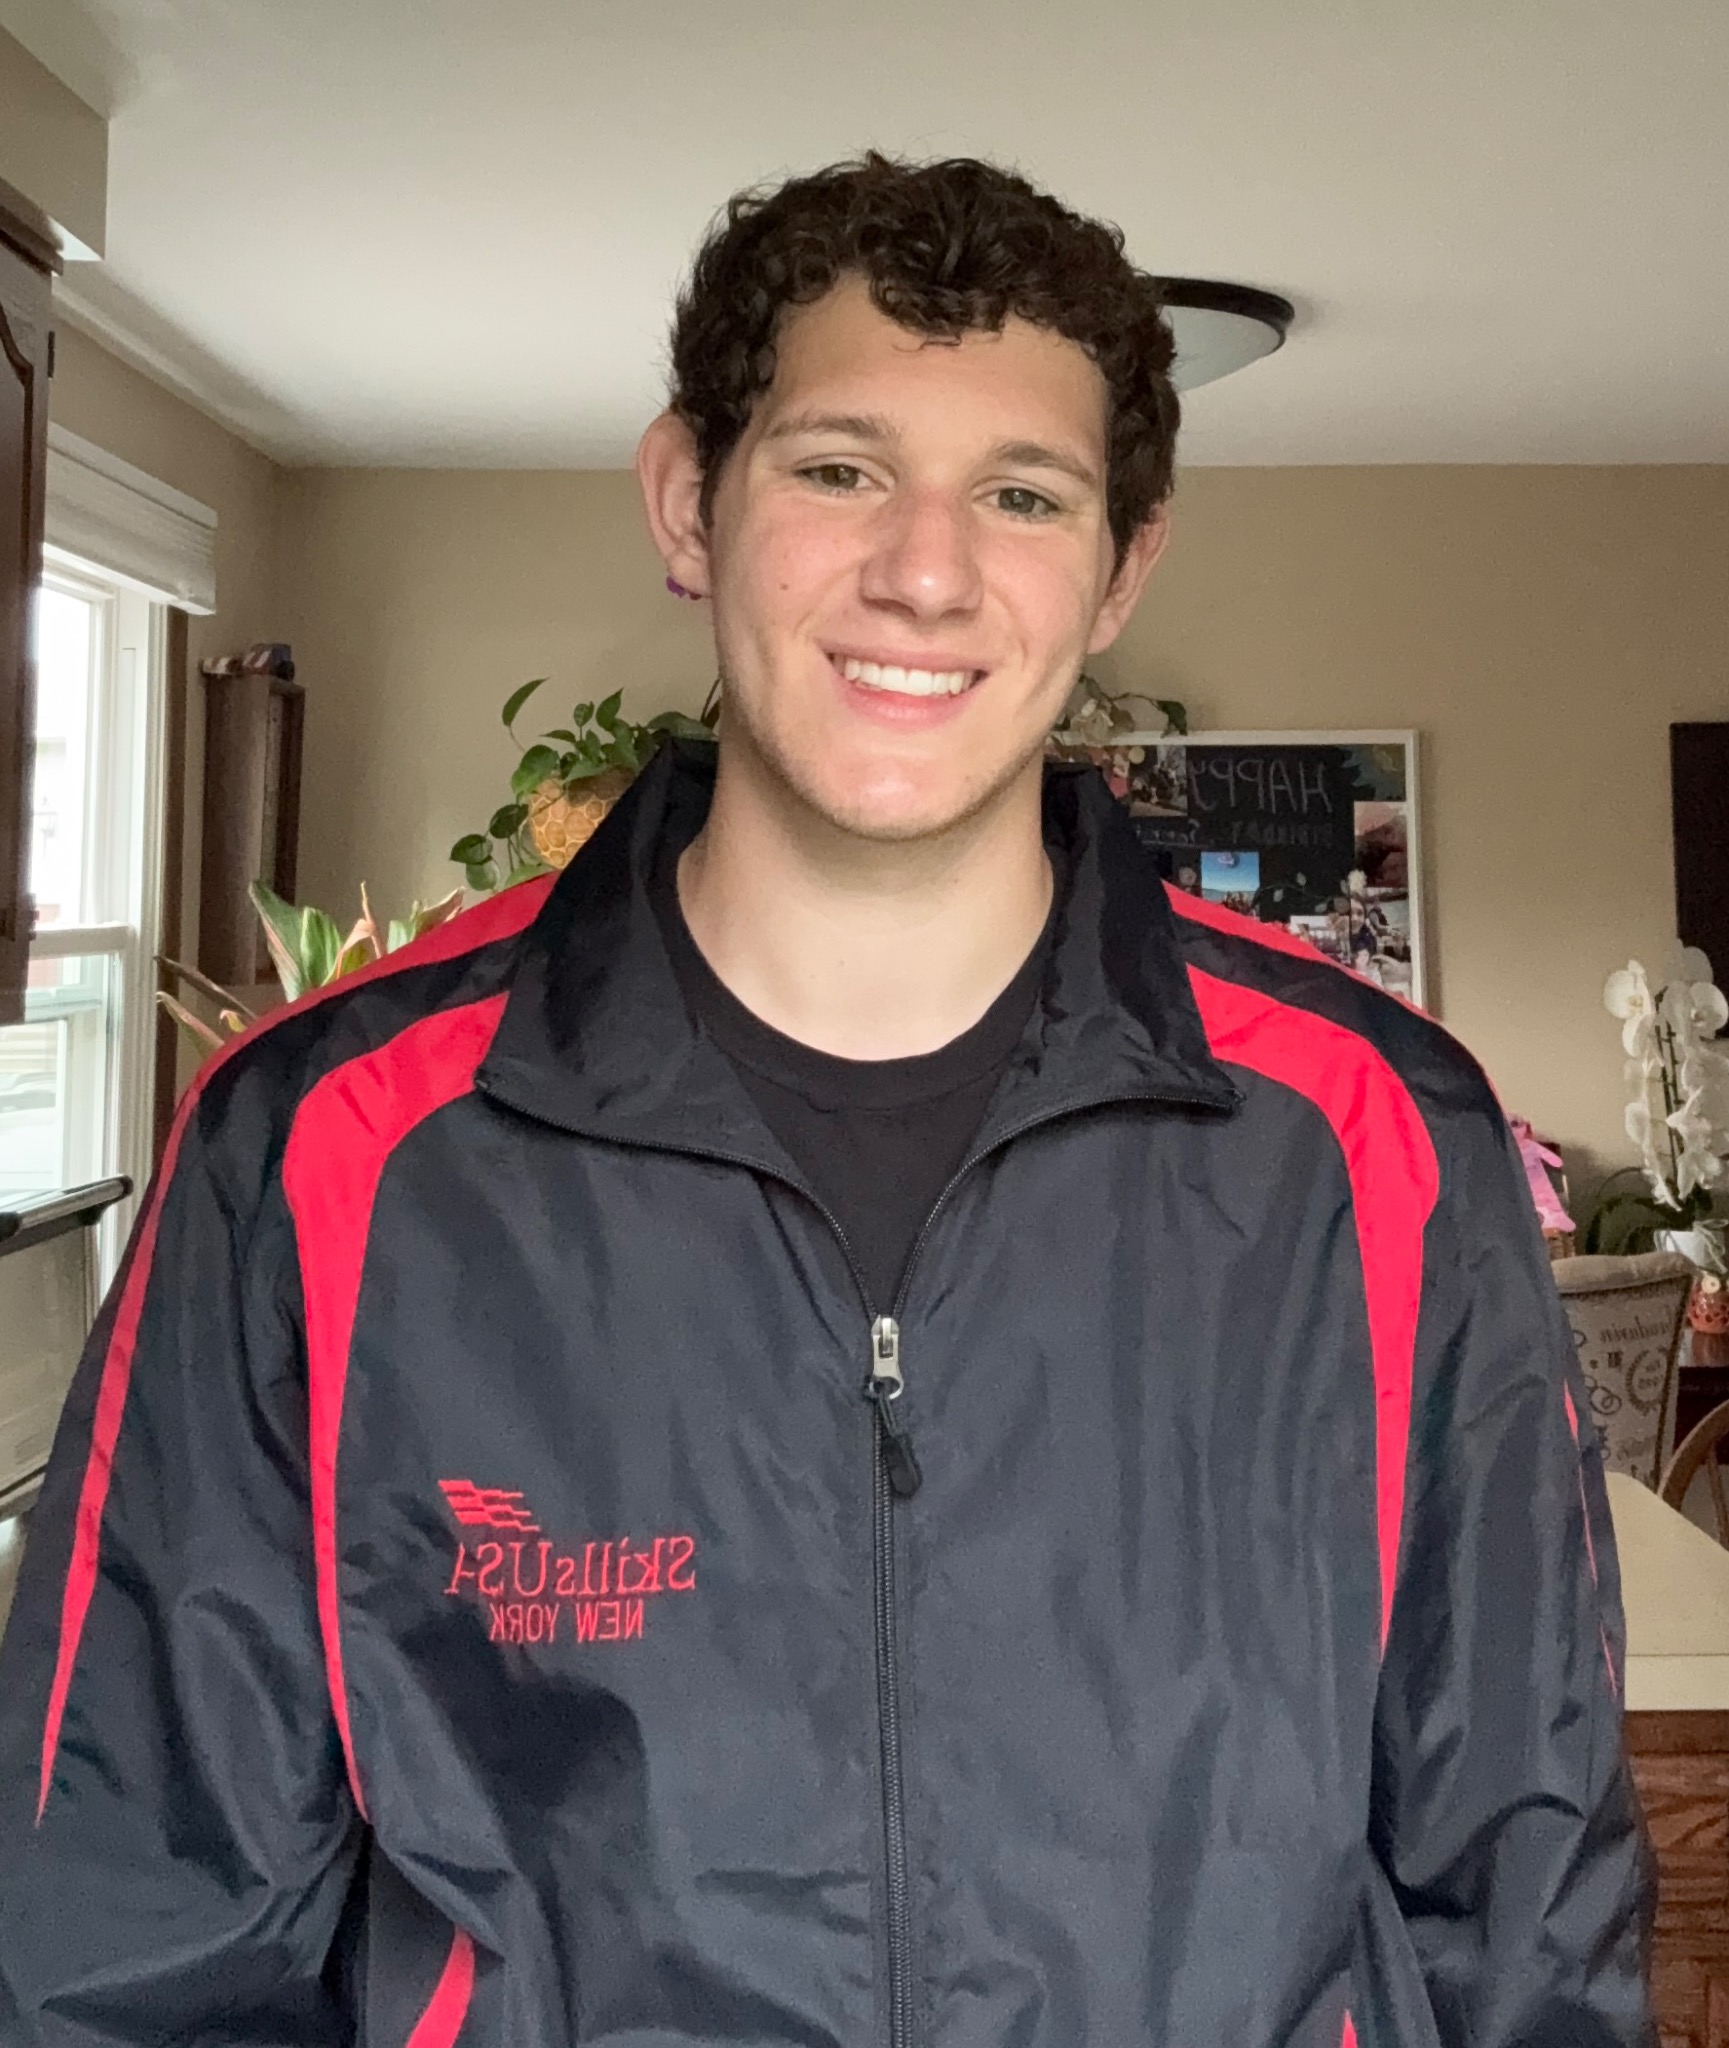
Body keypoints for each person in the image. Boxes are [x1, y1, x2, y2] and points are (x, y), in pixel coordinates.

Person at [0, 151, 1654, 2046]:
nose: (925, 573)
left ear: (1120, 568)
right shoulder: (326, 1147)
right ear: (686, 502)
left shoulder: (1376, 1142)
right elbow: (129, 1942)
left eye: (1021, 495)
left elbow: (1523, 1902)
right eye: (840, 468)